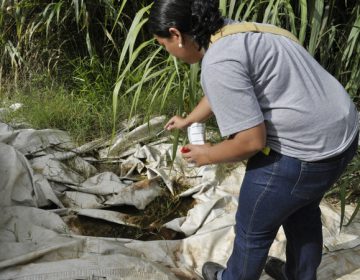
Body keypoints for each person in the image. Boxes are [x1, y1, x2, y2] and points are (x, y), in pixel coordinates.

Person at [148, 0, 359, 279]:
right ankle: (300, 275)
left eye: (164, 45)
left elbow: (251, 142)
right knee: (303, 209)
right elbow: (230, 88)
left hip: (305, 153)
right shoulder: (238, 31)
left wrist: (207, 154)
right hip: (343, 135)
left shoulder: (219, 61)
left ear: (176, 34)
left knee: (252, 229)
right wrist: (190, 120)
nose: (170, 53)